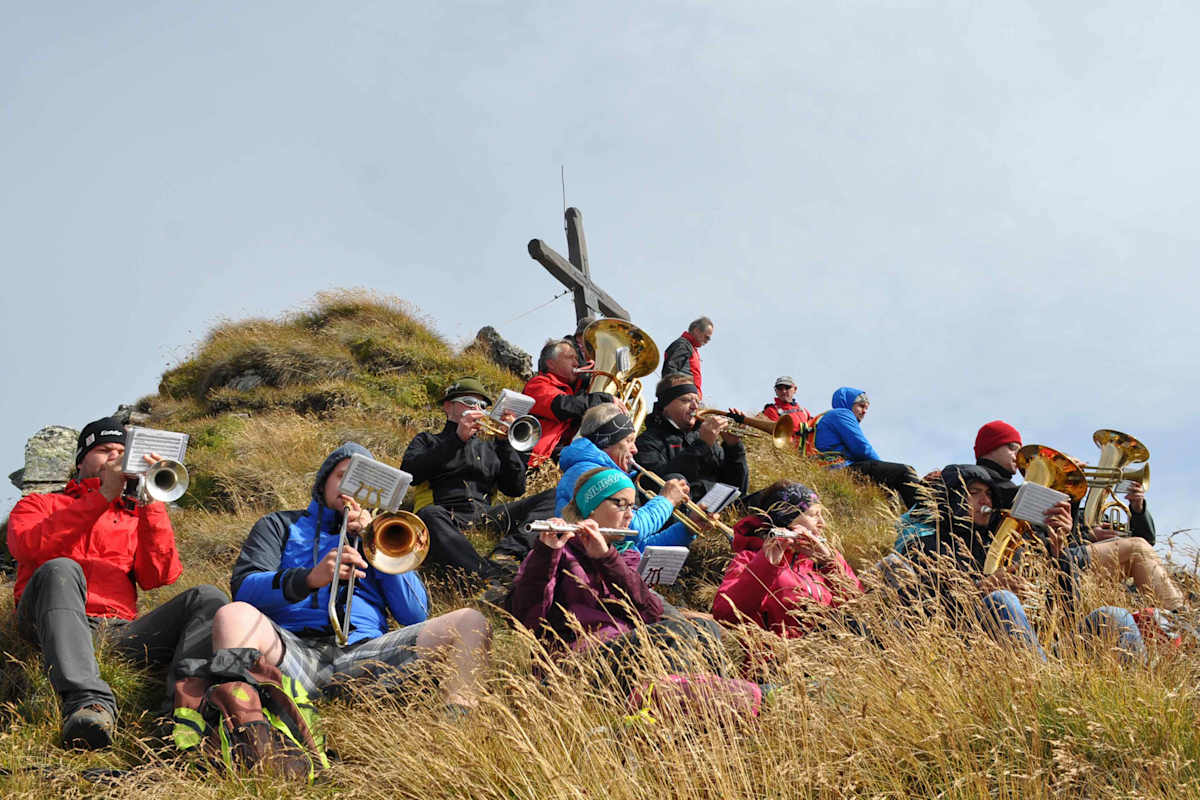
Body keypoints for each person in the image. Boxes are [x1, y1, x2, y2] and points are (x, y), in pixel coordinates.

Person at [214, 443, 490, 709]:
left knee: (471, 621)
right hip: (292, 649)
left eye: (364, 481)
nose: (352, 488)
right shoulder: (279, 524)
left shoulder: (386, 533)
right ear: (323, 484)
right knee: (233, 615)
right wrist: (308, 578)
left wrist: (378, 550)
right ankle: (241, 721)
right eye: (343, 477)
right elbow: (244, 589)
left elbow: (416, 616)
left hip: (365, 654)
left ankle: (457, 720)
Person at [6, 417, 227, 749]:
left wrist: (152, 507)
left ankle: (186, 713)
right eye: (105, 450)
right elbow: (27, 547)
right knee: (61, 569)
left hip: (117, 630)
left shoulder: (134, 515)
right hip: (50, 623)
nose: (115, 457)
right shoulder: (39, 504)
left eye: (123, 451)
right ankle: (88, 704)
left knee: (207, 597)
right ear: (81, 461)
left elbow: (160, 576)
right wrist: (103, 495)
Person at [507, 467, 732, 695]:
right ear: (591, 508)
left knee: (706, 629)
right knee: (674, 632)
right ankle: (669, 705)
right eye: (621, 504)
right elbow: (526, 618)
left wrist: (607, 559)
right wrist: (546, 554)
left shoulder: (625, 555)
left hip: (626, 648)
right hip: (577, 662)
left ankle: (716, 703)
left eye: (632, 506)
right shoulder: (558, 550)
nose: (630, 515)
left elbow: (652, 612)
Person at [898, 464, 1145, 661]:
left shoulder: (1015, 546)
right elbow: (919, 611)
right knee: (1000, 601)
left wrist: (1059, 551)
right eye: (974, 493)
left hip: (1044, 651)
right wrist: (980, 589)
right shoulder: (924, 547)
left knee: (1113, 616)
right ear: (952, 497)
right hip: (975, 654)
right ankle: (1041, 691)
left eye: (988, 494)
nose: (985, 501)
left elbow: (1069, 612)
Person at [973, 421, 1182, 612]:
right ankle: (1180, 619)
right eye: (1011, 447)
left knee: (1138, 548)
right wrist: (1067, 490)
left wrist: (1137, 509)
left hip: (1055, 561)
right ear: (990, 447)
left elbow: (1147, 538)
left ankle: (1171, 623)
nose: (1017, 453)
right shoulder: (987, 486)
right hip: (1044, 564)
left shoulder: (1017, 492)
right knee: (1137, 549)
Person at [401, 377, 540, 578]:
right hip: (445, 517)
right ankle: (488, 576)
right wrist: (456, 439)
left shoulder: (492, 447)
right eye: (469, 401)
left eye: (483, 405)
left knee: (552, 497)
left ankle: (506, 556)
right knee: (428, 515)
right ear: (448, 407)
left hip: (485, 518)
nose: (477, 407)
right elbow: (410, 474)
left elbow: (515, 489)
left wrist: (505, 443)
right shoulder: (428, 440)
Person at [713, 481, 862, 638]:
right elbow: (725, 615)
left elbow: (859, 608)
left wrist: (830, 563)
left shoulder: (820, 561)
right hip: (777, 657)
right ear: (788, 520)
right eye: (814, 515)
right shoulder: (750, 559)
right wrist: (766, 565)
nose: (822, 524)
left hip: (830, 655)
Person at [555, 403, 697, 551]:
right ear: (607, 441)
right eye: (629, 441)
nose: (635, 449)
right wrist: (667, 500)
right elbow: (632, 530)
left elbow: (635, 546)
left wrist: (687, 529)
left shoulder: (609, 475)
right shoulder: (587, 471)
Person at [635, 374, 749, 500]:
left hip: (719, 510)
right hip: (684, 512)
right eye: (685, 400)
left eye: (697, 402)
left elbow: (737, 489)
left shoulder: (702, 436)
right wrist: (702, 446)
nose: (695, 406)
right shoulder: (647, 441)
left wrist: (733, 447)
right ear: (665, 405)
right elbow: (657, 482)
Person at [813, 387, 920, 509]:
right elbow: (862, 448)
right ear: (847, 402)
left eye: (866, 408)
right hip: (840, 468)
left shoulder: (826, 417)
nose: (864, 411)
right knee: (905, 472)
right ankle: (923, 516)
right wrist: (883, 467)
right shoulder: (842, 414)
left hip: (829, 469)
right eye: (861, 406)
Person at [523, 339, 615, 464]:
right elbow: (562, 405)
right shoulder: (537, 384)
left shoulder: (576, 391)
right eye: (570, 357)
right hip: (539, 457)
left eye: (577, 358)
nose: (576, 363)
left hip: (561, 456)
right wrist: (606, 399)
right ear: (551, 364)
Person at [661, 316, 713, 398]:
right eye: (706, 337)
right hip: (681, 398)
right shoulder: (683, 344)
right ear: (696, 330)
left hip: (688, 399)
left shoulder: (689, 347)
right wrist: (679, 395)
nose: (707, 341)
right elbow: (670, 370)